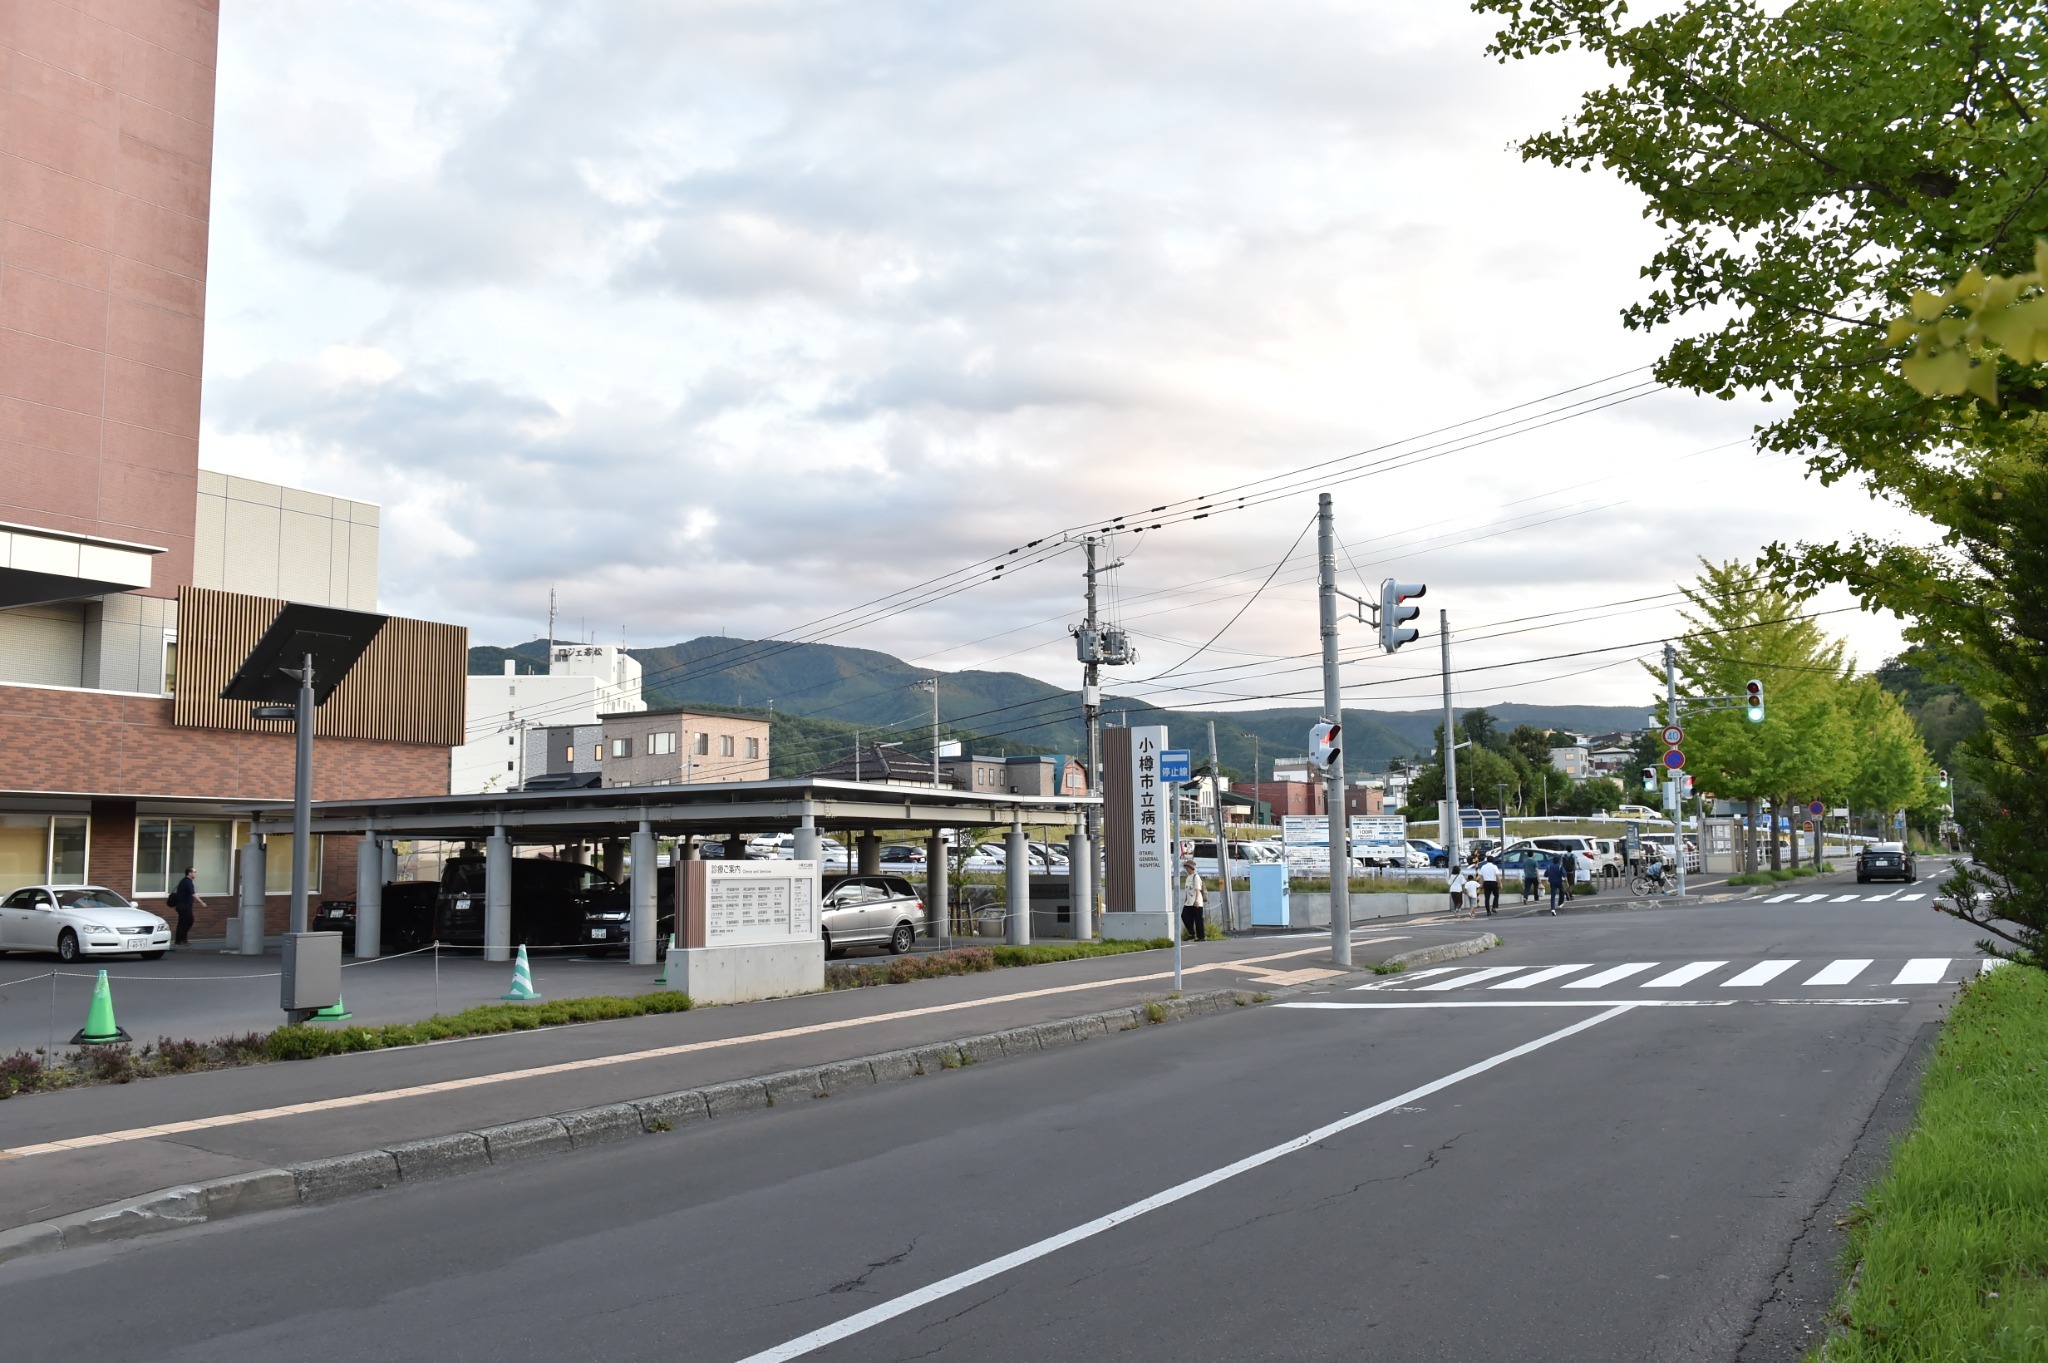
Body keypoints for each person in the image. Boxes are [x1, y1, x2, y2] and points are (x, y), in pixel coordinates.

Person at [168, 866, 202, 947]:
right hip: (184, 906)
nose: (195, 874)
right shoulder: (187, 882)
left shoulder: (186, 881)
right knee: (184, 923)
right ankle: (179, 941)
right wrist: (201, 902)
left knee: (187, 922)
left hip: (185, 906)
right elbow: (193, 894)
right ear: (189, 873)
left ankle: (182, 939)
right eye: (194, 872)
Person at [1180, 858, 1207, 943]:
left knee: (1198, 919)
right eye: (1186, 867)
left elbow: (1197, 889)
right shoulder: (1188, 877)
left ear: (1191, 868)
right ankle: (1191, 933)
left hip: (1196, 901)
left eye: (1187, 867)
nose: (1186, 869)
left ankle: (1201, 936)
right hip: (1188, 902)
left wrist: (1196, 900)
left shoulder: (1196, 876)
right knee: (1184, 916)